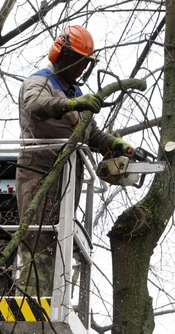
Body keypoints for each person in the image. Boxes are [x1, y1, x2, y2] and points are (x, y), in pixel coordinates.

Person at [15, 25, 133, 298]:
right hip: (39, 172)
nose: (81, 68)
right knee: (38, 242)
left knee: (58, 242)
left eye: (85, 63)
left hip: (67, 179)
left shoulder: (75, 92)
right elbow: (35, 105)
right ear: (62, 56)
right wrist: (71, 105)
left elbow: (89, 134)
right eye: (77, 61)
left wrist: (115, 144)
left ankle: (51, 297)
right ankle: (31, 302)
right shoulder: (40, 82)